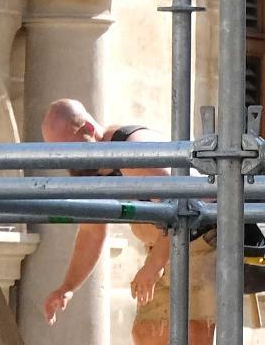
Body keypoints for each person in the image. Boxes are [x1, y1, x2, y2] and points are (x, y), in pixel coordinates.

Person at [38, 102, 220, 344]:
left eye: (70, 149)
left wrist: (154, 265)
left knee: (188, 332)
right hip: (170, 246)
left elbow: (184, 206)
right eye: (60, 156)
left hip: (203, 237)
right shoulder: (91, 170)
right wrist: (67, 287)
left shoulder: (131, 150)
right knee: (147, 333)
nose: (69, 161)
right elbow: (92, 232)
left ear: (89, 129)